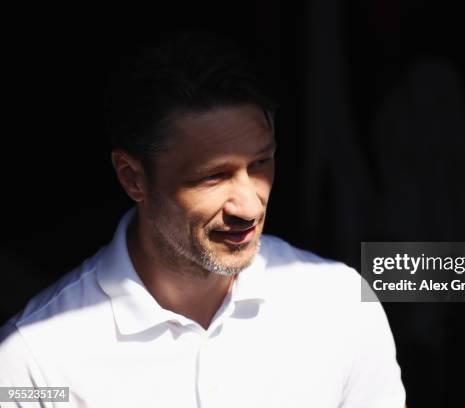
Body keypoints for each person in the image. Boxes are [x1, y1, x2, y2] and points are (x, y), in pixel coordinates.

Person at [0, 32, 406, 407]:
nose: (249, 207)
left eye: (261, 163)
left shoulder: (341, 305)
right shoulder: (33, 360)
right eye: (213, 176)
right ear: (132, 178)